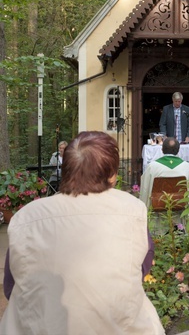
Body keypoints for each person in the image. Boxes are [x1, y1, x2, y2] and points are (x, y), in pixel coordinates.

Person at [0, 131, 164, 335]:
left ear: (66, 169)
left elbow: (10, 286)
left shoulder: (25, 217)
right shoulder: (132, 209)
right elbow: (141, 269)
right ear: (112, 175)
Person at [140, 137, 189, 209]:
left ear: (162, 149)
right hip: (180, 207)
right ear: (178, 150)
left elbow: (145, 189)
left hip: (157, 207)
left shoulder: (152, 166)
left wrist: (144, 209)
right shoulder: (185, 166)